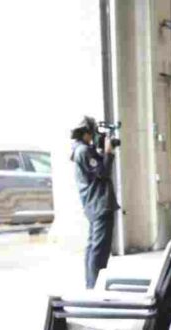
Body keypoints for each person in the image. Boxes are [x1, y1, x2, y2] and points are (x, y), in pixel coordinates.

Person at [70, 116, 119, 289]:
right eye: (92, 133)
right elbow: (103, 172)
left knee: (93, 247)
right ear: (86, 133)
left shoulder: (81, 150)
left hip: (93, 204)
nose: (93, 136)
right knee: (99, 249)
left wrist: (100, 151)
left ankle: (91, 285)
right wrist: (108, 152)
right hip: (99, 203)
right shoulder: (84, 151)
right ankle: (95, 286)